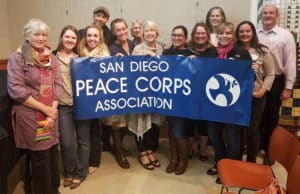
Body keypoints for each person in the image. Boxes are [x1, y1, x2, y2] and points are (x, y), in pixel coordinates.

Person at [7, 19, 62, 194]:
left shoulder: (51, 57)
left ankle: (54, 189)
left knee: (53, 152)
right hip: (30, 114)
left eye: (44, 34)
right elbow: (16, 90)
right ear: (27, 36)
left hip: (51, 113)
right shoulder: (18, 58)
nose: (41, 38)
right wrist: (46, 110)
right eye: (36, 34)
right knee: (40, 156)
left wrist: (52, 110)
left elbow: (58, 85)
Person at [206, 22, 252, 184]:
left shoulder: (242, 53)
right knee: (215, 136)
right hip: (213, 103)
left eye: (228, 33)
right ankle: (220, 164)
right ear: (216, 35)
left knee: (233, 138)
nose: (224, 36)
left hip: (234, 103)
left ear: (233, 35)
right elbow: (201, 74)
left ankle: (232, 169)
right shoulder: (210, 53)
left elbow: (246, 78)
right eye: (221, 33)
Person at [257, 4, 296, 166]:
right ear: (261, 16)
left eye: (271, 13)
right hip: (258, 79)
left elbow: (290, 62)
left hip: (277, 80)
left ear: (277, 15)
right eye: (265, 13)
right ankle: (256, 146)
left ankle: (269, 151)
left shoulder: (285, 36)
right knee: (256, 116)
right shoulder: (255, 34)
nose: (267, 15)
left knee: (272, 117)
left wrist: (288, 87)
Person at [236, 21, 275, 163]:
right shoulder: (233, 50)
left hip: (256, 95)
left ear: (253, 33)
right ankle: (237, 159)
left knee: (253, 129)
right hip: (237, 96)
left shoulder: (263, 51)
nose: (244, 34)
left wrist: (263, 90)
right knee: (237, 129)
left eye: (248, 31)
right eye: (241, 31)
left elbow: (271, 74)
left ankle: (251, 161)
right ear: (237, 34)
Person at [128, 20, 164, 170]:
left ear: (157, 33)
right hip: (141, 93)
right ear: (143, 34)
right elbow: (132, 71)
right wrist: (145, 56)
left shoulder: (161, 49)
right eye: (146, 31)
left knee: (153, 124)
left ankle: (149, 151)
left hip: (156, 93)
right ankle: (142, 153)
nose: (149, 33)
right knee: (141, 121)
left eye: (152, 30)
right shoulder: (138, 49)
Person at [53, 25, 86, 189]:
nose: (70, 40)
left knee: (82, 141)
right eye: (67, 36)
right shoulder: (52, 57)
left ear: (76, 41)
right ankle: (69, 171)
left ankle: (80, 173)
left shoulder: (81, 58)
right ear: (61, 38)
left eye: (73, 38)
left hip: (82, 105)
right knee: (66, 143)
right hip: (62, 106)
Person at [163, 25, 196, 175]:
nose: (176, 38)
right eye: (174, 35)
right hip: (169, 97)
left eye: (180, 36)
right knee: (171, 128)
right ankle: (174, 158)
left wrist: (195, 62)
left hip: (185, 99)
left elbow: (196, 76)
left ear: (185, 38)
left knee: (180, 129)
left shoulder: (191, 54)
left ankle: (183, 160)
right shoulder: (166, 52)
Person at [78, 24, 110, 174]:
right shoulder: (79, 52)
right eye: (89, 35)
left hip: (96, 99)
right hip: (80, 99)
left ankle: (94, 161)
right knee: (82, 132)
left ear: (100, 38)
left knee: (95, 131)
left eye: (95, 36)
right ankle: (82, 159)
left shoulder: (104, 54)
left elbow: (111, 77)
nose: (92, 38)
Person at [104, 18, 135, 169]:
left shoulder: (132, 44)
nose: (122, 32)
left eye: (124, 28)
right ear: (114, 32)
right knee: (116, 123)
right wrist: (113, 61)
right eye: (118, 30)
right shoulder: (111, 48)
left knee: (125, 123)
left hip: (130, 92)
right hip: (116, 93)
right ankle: (118, 152)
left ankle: (119, 146)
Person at [188, 22, 219, 162]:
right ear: (193, 35)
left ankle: (202, 149)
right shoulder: (187, 49)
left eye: (203, 33)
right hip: (188, 91)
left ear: (207, 35)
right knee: (188, 121)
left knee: (203, 123)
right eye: (197, 33)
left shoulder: (214, 51)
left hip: (207, 92)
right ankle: (189, 148)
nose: (200, 36)